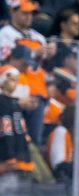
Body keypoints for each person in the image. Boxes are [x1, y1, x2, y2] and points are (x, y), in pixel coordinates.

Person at [0, 0, 53, 145]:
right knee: (13, 138)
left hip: (37, 93)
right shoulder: (4, 35)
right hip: (14, 93)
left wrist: (50, 55)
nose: (29, 17)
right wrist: (33, 53)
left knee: (34, 140)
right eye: (24, 13)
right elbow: (5, 62)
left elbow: (47, 68)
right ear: (12, 11)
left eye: (31, 13)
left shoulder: (39, 37)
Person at [0, 64, 33, 182]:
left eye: (16, 81)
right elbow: (6, 128)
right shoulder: (2, 102)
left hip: (20, 148)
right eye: (12, 80)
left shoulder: (15, 102)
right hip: (7, 150)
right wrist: (9, 155)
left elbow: (21, 125)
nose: (15, 84)